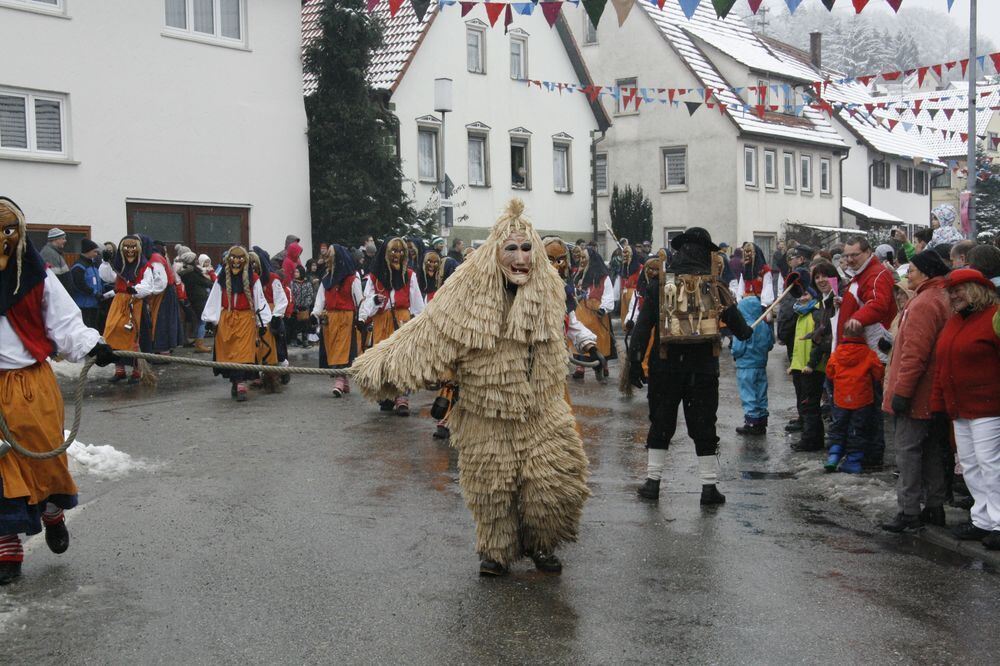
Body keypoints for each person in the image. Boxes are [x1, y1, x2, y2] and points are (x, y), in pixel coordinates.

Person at [353, 200, 590, 577]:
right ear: (495, 253)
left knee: (553, 484)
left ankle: (542, 545)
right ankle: (496, 553)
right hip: (485, 413)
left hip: (543, 409)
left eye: (527, 248)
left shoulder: (551, 288)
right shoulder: (466, 288)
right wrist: (380, 368)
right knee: (492, 490)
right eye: (511, 249)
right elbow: (428, 331)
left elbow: (567, 330)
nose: (520, 258)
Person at [0, 198, 116, 585]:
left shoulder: (37, 277)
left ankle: (52, 511)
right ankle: (7, 543)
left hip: (30, 383)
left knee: (42, 459)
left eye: (7, 230)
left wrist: (90, 345)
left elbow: (65, 322)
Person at [628, 227, 753, 505]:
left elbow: (641, 328)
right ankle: (709, 488)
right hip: (703, 370)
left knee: (661, 422)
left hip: (664, 367)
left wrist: (635, 363)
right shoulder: (714, 285)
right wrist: (746, 333)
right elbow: (740, 327)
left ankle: (652, 482)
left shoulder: (660, 283)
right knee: (704, 425)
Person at [880, 251, 952, 532]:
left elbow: (915, 354)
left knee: (908, 452)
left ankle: (908, 512)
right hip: (932, 393)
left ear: (925, 272)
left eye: (911, 270)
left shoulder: (923, 303)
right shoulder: (940, 298)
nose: (907, 275)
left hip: (916, 393)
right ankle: (934, 508)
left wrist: (902, 392)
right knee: (932, 449)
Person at [931, 268, 1000, 549]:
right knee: (971, 465)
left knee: (990, 464)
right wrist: (938, 403)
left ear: (977, 289)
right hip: (959, 408)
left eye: (958, 290)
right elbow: (942, 365)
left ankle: (998, 522)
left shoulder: (994, 317)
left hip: (989, 406)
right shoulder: (955, 321)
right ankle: (982, 519)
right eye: (950, 291)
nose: (953, 296)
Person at [837, 236, 897, 468]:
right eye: (847, 256)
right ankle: (863, 453)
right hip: (862, 350)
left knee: (869, 408)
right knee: (864, 407)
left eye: (855, 255)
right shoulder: (862, 274)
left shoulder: (876, 274)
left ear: (868, 252)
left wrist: (856, 319)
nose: (850, 260)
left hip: (873, 352)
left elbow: (878, 304)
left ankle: (872, 457)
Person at [358, 237, 425, 415]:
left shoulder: (410, 276)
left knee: (402, 360)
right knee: (384, 362)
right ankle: (386, 395)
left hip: (402, 322)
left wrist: (418, 326)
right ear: (386, 254)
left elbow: (418, 305)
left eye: (401, 251)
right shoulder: (374, 277)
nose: (398, 255)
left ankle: (402, 396)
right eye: (393, 251)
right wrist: (374, 301)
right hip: (382, 322)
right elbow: (366, 306)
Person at [201, 246, 272, 401]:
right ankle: (235, 381)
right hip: (226, 319)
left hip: (246, 320)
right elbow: (214, 297)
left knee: (243, 352)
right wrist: (211, 319)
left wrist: (263, 323)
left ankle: (241, 383)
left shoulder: (253, 279)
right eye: (233, 257)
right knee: (229, 352)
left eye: (240, 258)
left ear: (245, 260)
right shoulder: (222, 278)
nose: (236, 261)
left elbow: (260, 299)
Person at [104, 235, 160, 384]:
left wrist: (135, 289)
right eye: (126, 247)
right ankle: (119, 369)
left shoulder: (145, 266)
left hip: (136, 304)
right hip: (119, 303)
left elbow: (148, 285)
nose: (130, 250)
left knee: (135, 336)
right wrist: (105, 261)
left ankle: (137, 370)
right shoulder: (118, 265)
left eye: (133, 247)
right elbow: (108, 277)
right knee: (114, 331)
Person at [313, 244, 362, 397]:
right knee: (333, 348)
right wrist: (315, 314)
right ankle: (344, 380)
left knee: (342, 348)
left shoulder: (352, 280)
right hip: (330, 319)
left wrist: (361, 318)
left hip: (346, 318)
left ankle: (339, 380)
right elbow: (320, 299)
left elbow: (359, 300)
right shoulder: (326, 279)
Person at [733, 278, 774, 437]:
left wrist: (735, 355)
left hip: (746, 366)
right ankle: (762, 419)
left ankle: (751, 422)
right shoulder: (763, 325)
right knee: (761, 391)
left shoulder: (743, 327)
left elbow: (738, 348)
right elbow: (770, 344)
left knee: (748, 393)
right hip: (760, 365)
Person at [572, 247, 616, 380]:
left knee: (601, 339)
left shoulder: (603, 277)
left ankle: (603, 365)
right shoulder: (579, 275)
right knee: (581, 338)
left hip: (597, 313)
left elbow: (608, 295)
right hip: (582, 311)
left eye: (584, 257)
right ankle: (581, 367)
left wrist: (604, 308)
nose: (582, 260)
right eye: (581, 258)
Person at [250, 247, 289, 389]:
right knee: (257, 346)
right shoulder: (249, 280)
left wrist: (276, 316)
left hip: (271, 316)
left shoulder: (273, 279)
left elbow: (282, 300)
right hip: (256, 317)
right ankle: (260, 373)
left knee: (276, 346)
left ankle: (279, 371)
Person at [178, 251, 213, 353]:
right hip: (198, 298)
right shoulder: (192, 272)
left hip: (193, 298)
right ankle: (199, 344)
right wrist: (211, 282)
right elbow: (204, 282)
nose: (197, 260)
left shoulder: (185, 271)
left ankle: (198, 342)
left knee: (199, 320)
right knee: (202, 321)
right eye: (195, 259)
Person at [69, 239, 103, 329]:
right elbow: (79, 285)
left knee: (94, 328)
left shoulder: (93, 265)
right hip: (83, 305)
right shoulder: (78, 267)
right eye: (95, 251)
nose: (97, 254)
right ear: (88, 251)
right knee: (86, 329)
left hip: (93, 304)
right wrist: (94, 292)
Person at [289, 265, 316, 348]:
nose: (295, 273)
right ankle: (294, 340)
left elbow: (310, 295)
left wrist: (306, 304)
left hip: (304, 308)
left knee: (305, 324)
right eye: (295, 272)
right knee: (294, 324)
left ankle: (305, 340)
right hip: (295, 308)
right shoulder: (292, 283)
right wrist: (294, 305)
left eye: (297, 272)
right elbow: (291, 294)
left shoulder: (307, 283)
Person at [618, 243, 643, 323]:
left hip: (635, 295)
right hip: (624, 295)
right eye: (624, 253)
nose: (625, 255)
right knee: (624, 315)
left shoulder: (640, 268)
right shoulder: (623, 269)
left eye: (627, 252)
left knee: (633, 315)